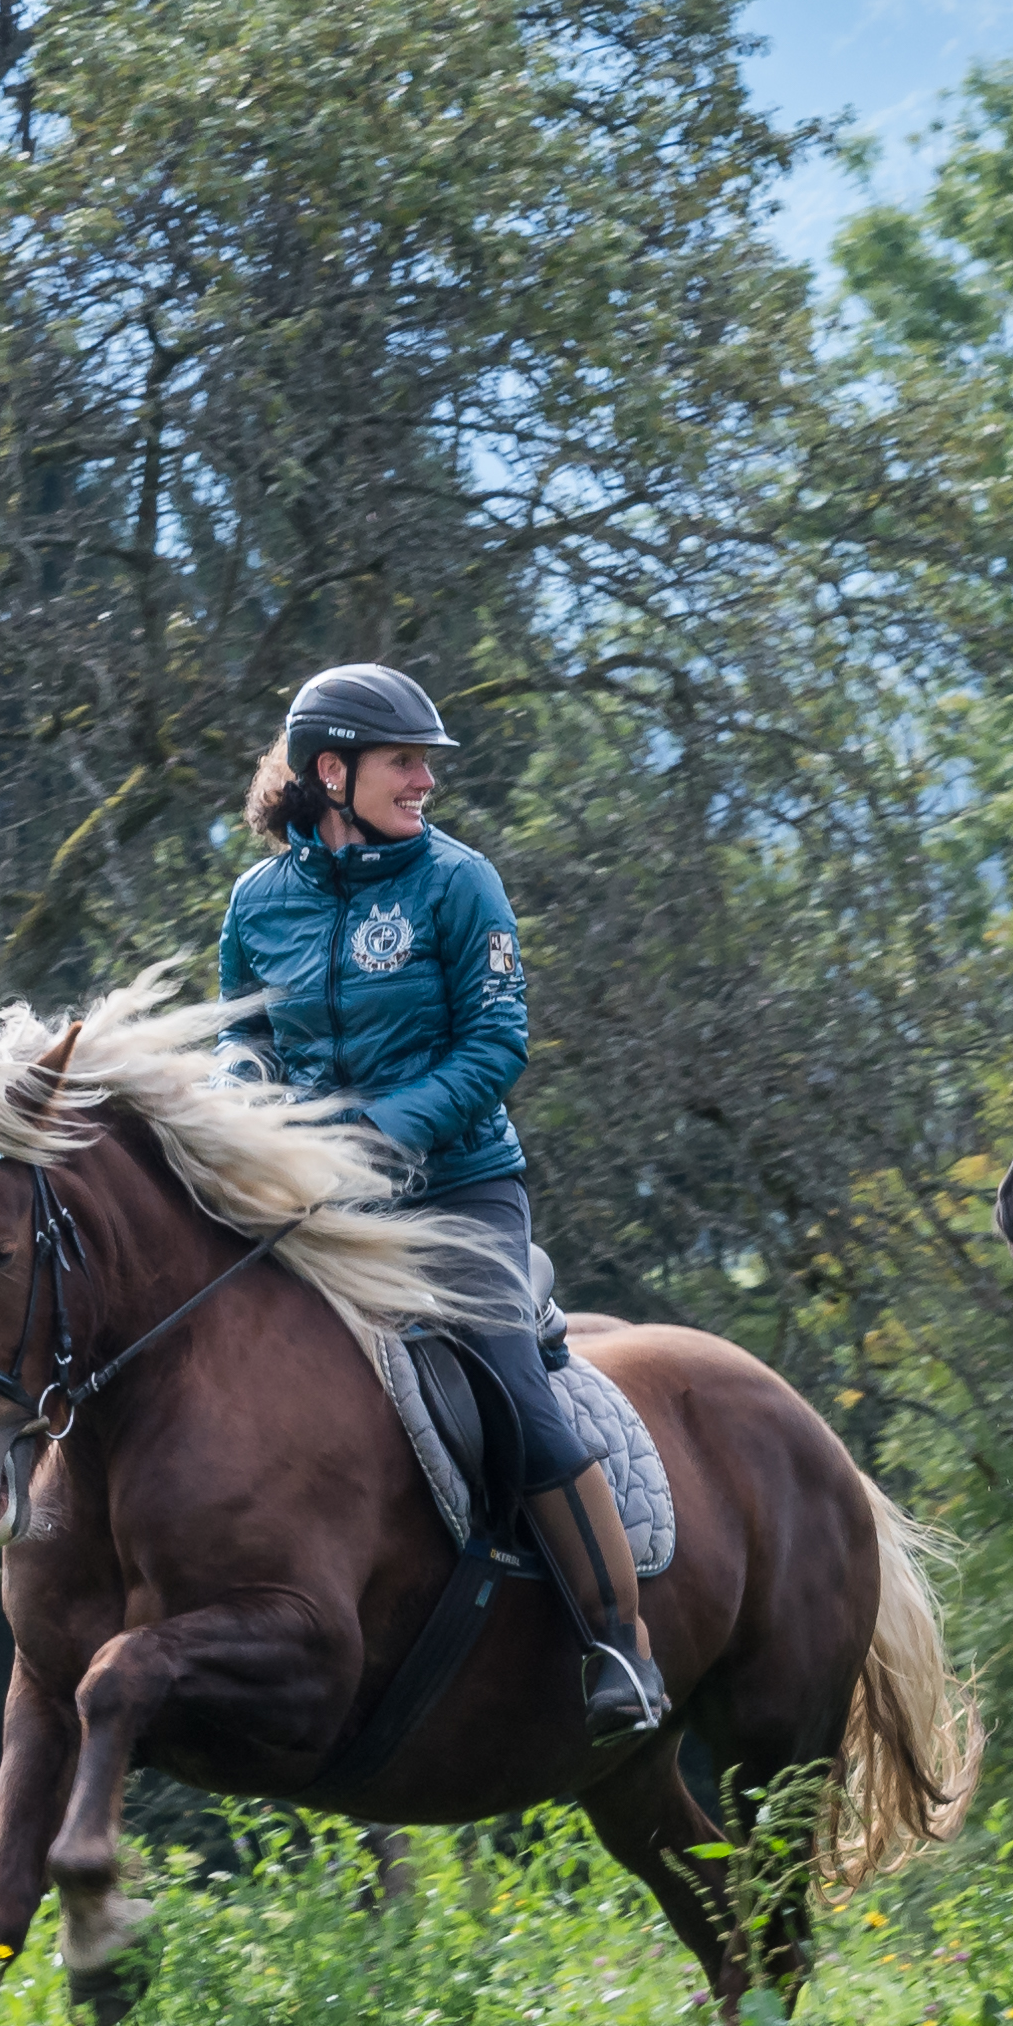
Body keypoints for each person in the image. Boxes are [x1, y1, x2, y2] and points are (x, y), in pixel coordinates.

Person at [219, 662, 668, 1744]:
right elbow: (241, 1031)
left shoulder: (459, 883)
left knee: (509, 1382)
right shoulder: (255, 902)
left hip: (458, 1187)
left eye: (426, 763)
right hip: (310, 1198)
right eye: (403, 761)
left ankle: (620, 1642)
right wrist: (241, 1089)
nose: (426, 780)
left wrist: (379, 1132)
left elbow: (495, 1045)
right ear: (330, 771)